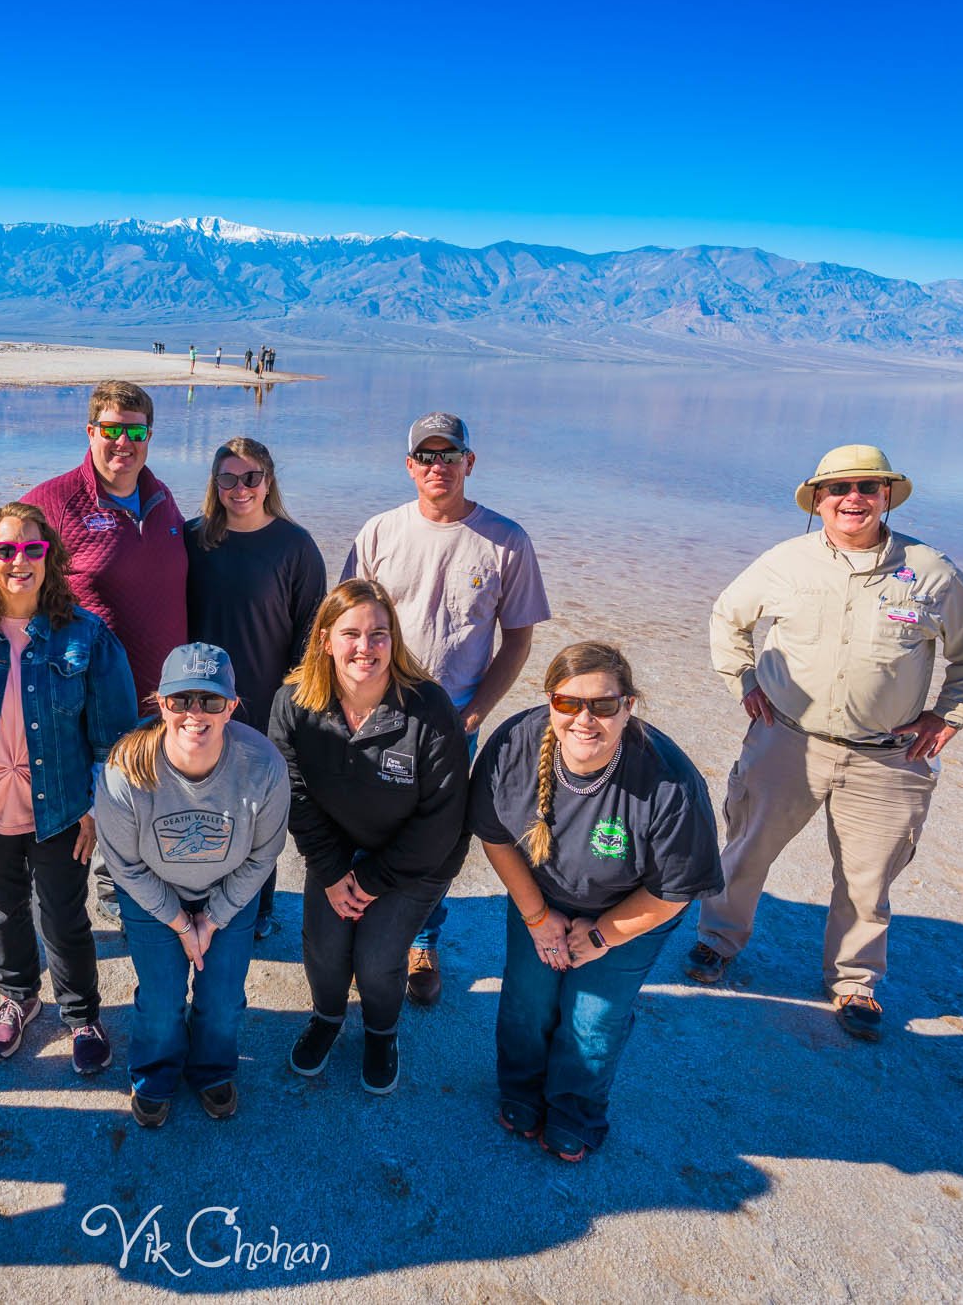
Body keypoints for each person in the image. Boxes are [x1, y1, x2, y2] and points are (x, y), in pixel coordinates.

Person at [686, 446, 963, 1039]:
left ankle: (854, 981)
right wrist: (746, 681)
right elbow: (728, 617)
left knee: (867, 877)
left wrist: (951, 715)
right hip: (786, 741)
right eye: (838, 489)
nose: (852, 498)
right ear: (818, 501)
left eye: (867, 486)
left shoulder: (930, 570)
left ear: (886, 496)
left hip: (889, 757)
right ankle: (716, 942)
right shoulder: (786, 562)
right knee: (747, 850)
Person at [473, 642, 723, 1163]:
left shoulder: (670, 781)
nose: (584, 719)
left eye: (603, 706)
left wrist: (603, 934)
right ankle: (521, 1091)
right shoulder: (515, 745)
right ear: (550, 701)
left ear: (628, 706)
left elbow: (672, 889)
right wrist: (538, 917)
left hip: (633, 910)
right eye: (568, 703)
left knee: (592, 1015)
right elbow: (494, 834)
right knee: (528, 999)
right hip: (538, 898)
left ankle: (574, 1111)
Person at [342, 411, 551, 1005]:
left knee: (437, 836)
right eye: (426, 457)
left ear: (469, 462)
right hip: (374, 712)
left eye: (449, 455)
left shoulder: (506, 540)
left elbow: (517, 638)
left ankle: (422, 941)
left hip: (454, 720)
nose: (438, 466)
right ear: (410, 467)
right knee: (367, 824)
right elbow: (346, 627)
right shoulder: (380, 532)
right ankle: (362, 928)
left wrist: (478, 710)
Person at [0, 502, 137, 1073]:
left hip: (63, 805)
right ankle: (18, 997)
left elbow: (113, 737)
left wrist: (98, 808)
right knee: (2, 910)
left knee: (65, 914)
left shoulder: (87, 636)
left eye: (32, 549)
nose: (19, 560)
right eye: (6, 550)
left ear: (50, 557)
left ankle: (82, 1014)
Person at [269, 579, 468, 1094]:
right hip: (336, 850)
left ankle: (382, 1031)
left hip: (416, 859)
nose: (365, 647)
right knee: (324, 947)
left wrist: (373, 880)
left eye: (379, 634)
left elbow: (443, 818)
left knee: (378, 958)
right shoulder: (294, 703)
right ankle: (327, 1018)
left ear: (394, 640)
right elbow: (293, 794)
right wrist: (334, 872)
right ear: (324, 640)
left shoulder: (428, 707)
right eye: (351, 633)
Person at [98, 643, 290, 1127]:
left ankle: (212, 1068)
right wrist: (182, 923)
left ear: (231, 706)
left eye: (210, 701)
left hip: (229, 890)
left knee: (222, 998)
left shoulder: (264, 766)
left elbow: (264, 854)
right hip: (153, 896)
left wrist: (216, 915)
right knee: (161, 999)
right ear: (160, 704)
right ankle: (154, 1070)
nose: (194, 714)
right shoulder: (125, 771)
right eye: (181, 700)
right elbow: (124, 865)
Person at [24, 380, 189, 918]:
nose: (124, 442)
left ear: (149, 435)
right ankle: (39, 918)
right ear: (91, 431)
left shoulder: (163, 499)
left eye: (135, 431)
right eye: (111, 429)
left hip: (158, 694)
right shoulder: (54, 502)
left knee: (144, 794)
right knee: (80, 803)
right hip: (84, 691)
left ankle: (121, 885)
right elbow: (6, 577)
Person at [184, 437, 326, 937]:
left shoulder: (296, 546)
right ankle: (198, 898)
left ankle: (258, 908)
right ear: (215, 483)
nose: (240, 488)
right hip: (197, 703)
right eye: (228, 478)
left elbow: (311, 636)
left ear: (268, 481)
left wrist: (297, 710)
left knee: (258, 811)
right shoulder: (194, 539)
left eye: (251, 478)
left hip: (267, 703)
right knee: (200, 802)